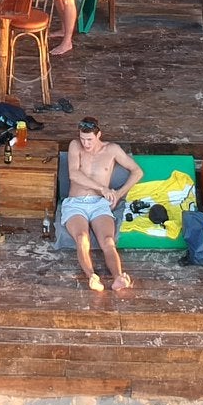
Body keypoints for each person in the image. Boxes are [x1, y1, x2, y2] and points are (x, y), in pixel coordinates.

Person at [60, 118, 139, 292]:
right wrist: (102, 188)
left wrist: (119, 194)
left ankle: (118, 277)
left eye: (89, 139)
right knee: (82, 238)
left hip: (99, 204)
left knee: (108, 241)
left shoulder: (112, 149)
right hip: (76, 203)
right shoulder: (75, 145)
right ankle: (91, 276)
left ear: (99, 135)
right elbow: (74, 174)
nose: (86, 144)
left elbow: (137, 171)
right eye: (83, 139)